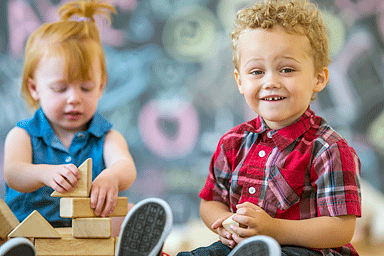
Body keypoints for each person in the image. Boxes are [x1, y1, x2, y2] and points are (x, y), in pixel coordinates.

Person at [178, 0, 361, 255]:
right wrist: (225, 224)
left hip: (306, 251)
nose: (271, 81)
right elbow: (211, 202)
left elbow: (341, 229)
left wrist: (273, 229)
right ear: (240, 81)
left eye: (287, 69)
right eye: (256, 71)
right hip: (241, 246)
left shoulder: (328, 149)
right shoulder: (232, 142)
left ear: (319, 78)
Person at [3, 0, 137, 228]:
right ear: (35, 88)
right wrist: (43, 173)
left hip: (86, 228)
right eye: (60, 88)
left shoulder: (107, 137)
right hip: (29, 229)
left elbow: (126, 167)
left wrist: (111, 176)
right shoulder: (23, 134)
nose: (74, 98)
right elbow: (13, 172)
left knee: (131, 211)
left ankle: (136, 245)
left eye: (86, 88)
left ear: (101, 87)